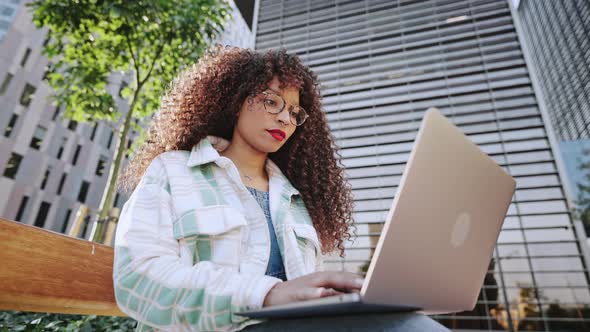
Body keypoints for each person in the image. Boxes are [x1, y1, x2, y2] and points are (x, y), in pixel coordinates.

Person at [113, 46, 450, 332]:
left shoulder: (294, 200)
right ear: (235, 100)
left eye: (294, 112)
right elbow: (138, 278)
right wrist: (267, 293)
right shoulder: (174, 171)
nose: (285, 119)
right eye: (272, 102)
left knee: (401, 320)